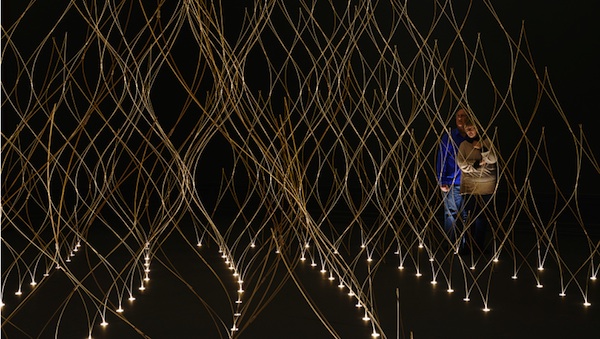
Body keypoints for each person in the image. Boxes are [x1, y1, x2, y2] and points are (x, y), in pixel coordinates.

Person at [456, 117, 498, 254]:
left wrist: (482, 148)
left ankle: (478, 247)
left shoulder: (487, 141)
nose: (470, 131)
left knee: (482, 217)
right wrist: (477, 165)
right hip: (469, 186)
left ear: (478, 128)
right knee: (469, 217)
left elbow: (492, 159)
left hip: (486, 186)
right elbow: (462, 164)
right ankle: (467, 246)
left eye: (472, 128)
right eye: (467, 129)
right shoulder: (463, 145)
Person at [436, 108, 468, 251]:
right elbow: (441, 158)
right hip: (452, 182)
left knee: (466, 215)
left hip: (470, 183)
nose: (461, 119)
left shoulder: (473, 136)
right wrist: (442, 179)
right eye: (459, 116)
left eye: (464, 116)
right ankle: (451, 245)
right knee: (451, 214)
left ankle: (464, 245)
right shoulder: (449, 136)